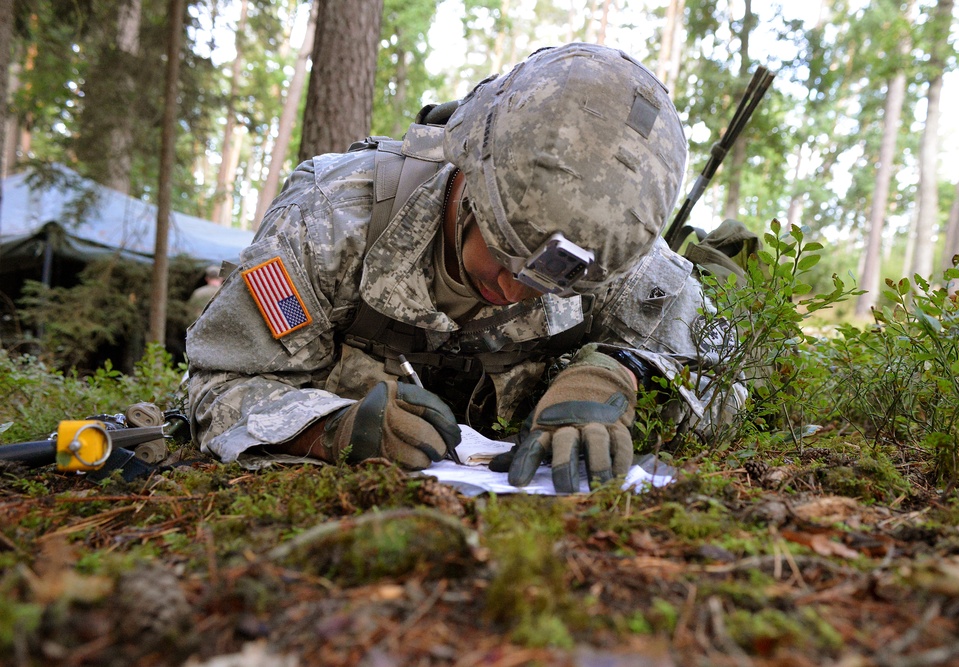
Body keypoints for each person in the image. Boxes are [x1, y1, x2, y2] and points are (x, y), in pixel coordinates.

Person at [185, 43, 745, 493]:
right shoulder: (329, 222)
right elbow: (221, 381)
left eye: (551, 281)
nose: (514, 290)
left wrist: (621, 375)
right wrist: (326, 430)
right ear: (470, 182)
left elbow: (727, 377)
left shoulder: (610, 248)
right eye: (506, 255)